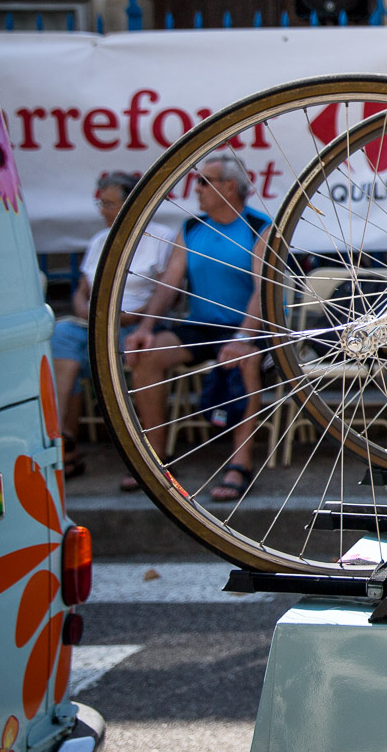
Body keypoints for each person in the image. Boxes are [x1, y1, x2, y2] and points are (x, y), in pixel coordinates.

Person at [123, 154, 272, 499]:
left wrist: (243, 336)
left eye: (204, 181)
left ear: (230, 187)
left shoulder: (259, 227)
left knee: (245, 360)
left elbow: (263, 291)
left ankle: (240, 463)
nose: (197, 189)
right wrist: (146, 326)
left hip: (248, 326)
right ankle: (156, 456)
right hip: (202, 325)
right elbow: (169, 285)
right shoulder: (191, 228)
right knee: (147, 354)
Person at [49, 172, 174, 478]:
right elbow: (82, 289)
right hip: (93, 324)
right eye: (100, 203)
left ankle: (145, 455)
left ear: (130, 204)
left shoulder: (160, 237)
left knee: (139, 350)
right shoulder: (98, 240)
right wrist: (87, 315)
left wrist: (126, 318)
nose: (103, 210)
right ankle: (64, 445)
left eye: (108, 203)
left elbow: (166, 292)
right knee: (61, 337)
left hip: (133, 325)